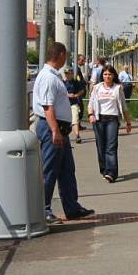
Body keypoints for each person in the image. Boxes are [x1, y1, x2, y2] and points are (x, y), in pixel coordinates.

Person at [33, 42, 95, 225]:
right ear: (60, 55)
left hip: (60, 129)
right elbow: (47, 106)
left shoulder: (53, 76)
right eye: (65, 55)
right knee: (49, 170)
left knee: (67, 169)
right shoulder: (48, 77)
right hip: (53, 128)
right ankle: (43, 210)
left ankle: (72, 207)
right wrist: (54, 131)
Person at [88, 65, 132, 183]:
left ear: (114, 76)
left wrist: (128, 122)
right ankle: (104, 169)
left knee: (111, 147)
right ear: (102, 75)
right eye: (105, 74)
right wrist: (90, 115)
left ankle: (112, 172)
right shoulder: (97, 88)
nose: (107, 76)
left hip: (112, 119)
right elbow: (91, 103)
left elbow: (124, 106)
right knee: (100, 146)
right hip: (99, 119)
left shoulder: (118, 88)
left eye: (110, 74)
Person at [63, 67, 85, 144]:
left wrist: (76, 95)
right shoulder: (63, 83)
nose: (67, 75)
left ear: (72, 74)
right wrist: (68, 95)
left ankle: (77, 135)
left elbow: (82, 91)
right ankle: (64, 136)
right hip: (65, 104)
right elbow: (60, 92)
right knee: (64, 121)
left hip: (73, 103)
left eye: (69, 73)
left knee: (75, 119)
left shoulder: (76, 82)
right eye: (66, 74)